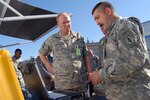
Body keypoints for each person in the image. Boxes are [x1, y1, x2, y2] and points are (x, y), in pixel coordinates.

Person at [91, 1, 150, 100]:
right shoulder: (111, 34)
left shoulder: (124, 26)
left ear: (108, 11)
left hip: (134, 94)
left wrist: (101, 74)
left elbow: (136, 58)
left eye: (97, 17)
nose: (97, 22)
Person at [39, 12, 92, 93]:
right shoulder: (52, 39)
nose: (67, 24)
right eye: (64, 22)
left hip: (81, 82)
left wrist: (90, 72)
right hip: (63, 84)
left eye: (68, 21)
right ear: (58, 24)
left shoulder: (79, 37)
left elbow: (86, 56)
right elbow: (41, 53)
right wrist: (50, 68)